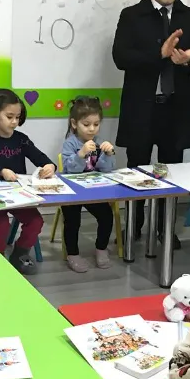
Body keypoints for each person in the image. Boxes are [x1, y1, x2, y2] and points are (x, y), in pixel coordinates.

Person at [113, 0, 190, 247]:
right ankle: (134, 226)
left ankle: (164, 228)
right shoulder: (132, 15)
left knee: (171, 173)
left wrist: (188, 60)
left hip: (175, 109)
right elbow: (121, 58)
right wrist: (159, 55)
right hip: (141, 108)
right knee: (137, 170)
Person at [0, 89, 56, 275]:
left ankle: (20, 254)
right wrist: (1, 171)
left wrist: (50, 165)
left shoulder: (21, 140)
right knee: (2, 224)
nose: (14, 122)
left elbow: (39, 157)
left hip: (19, 195)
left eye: (17, 117)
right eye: (9, 116)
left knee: (36, 221)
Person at [60, 96, 116, 273]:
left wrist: (108, 154)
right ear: (74, 124)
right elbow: (70, 170)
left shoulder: (98, 141)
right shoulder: (70, 143)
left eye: (96, 124)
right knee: (72, 221)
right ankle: (73, 254)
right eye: (86, 124)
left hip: (92, 191)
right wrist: (80, 154)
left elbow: (106, 169)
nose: (92, 129)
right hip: (71, 192)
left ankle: (101, 249)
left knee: (106, 216)